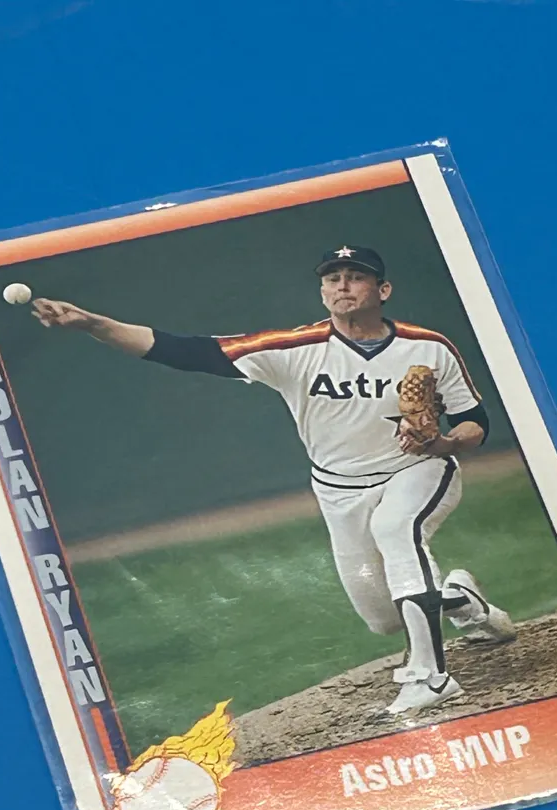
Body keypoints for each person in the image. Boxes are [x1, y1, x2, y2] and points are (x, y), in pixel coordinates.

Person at [32, 245, 514, 714]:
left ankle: (430, 677)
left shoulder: (428, 346)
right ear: (323, 292)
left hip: (418, 470)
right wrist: (94, 324)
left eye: (356, 277)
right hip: (340, 490)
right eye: (332, 279)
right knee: (384, 618)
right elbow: (183, 350)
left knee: (397, 531)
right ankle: (462, 602)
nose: (343, 286)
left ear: (383, 290)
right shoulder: (292, 349)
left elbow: (474, 421)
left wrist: (444, 444)